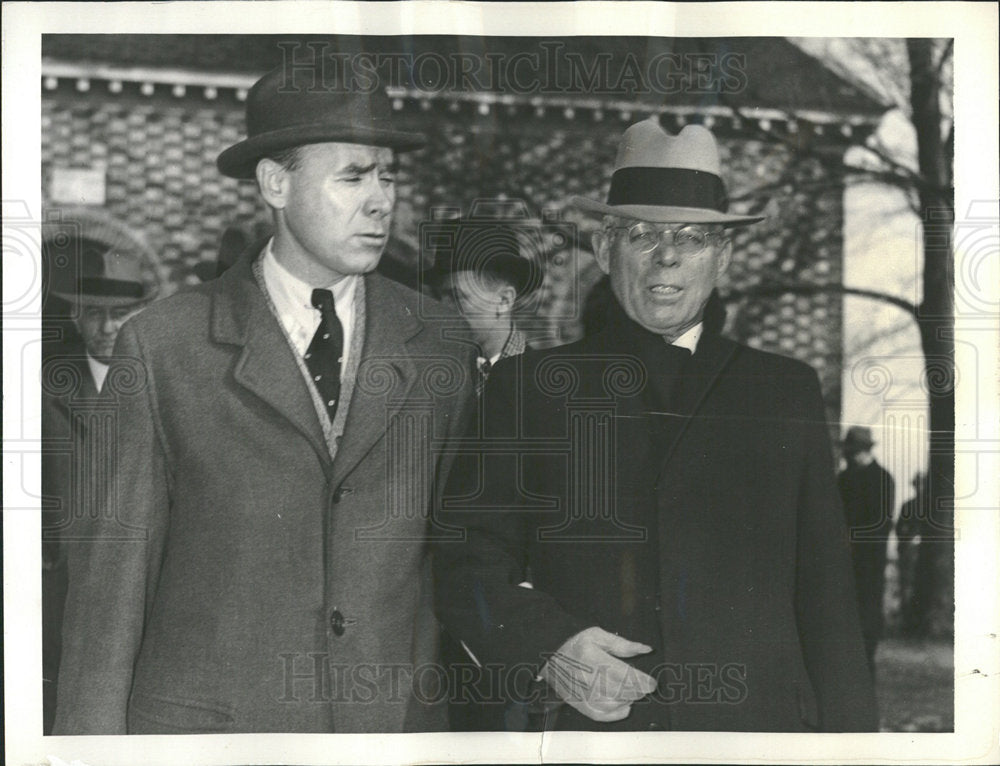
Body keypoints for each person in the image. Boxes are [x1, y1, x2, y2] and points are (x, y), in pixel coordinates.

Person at [54, 57, 475, 734]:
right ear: (276, 183)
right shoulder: (164, 347)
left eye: (388, 174)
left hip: (387, 733)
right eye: (353, 176)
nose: (382, 199)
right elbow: (109, 593)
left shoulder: (440, 344)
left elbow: (462, 558)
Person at [434, 117, 877, 732]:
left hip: (756, 736)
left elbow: (828, 595)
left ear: (723, 257)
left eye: (693, 238)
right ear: (604, 249)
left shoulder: (783, 390)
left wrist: (849, 746)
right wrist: (548, 647)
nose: (667, 256)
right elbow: (463, 563)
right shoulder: (527, 389)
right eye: (643, 235)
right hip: (591, 735)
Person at [41, 231, 159, 733]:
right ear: (74, 316)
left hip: (149, 597)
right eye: (94, 313)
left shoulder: (168, 392)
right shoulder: (42, 393)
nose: (109, 326)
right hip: (63, 597)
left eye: (121, 314)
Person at [430, 223, 542, 396]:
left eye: (456, 297)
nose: (441, 311)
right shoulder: (434, 372)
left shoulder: (540, 386)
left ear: (504, 300)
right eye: (438, 297)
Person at [837, 426, 895, 676]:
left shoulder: (882, 479)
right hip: (843, 557)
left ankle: (866, 662)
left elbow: (882, 522)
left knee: (868, 609)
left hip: (869, 558)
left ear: (865, 451)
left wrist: (855, 540)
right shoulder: (844, 479)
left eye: (854, 453)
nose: (850, 458)